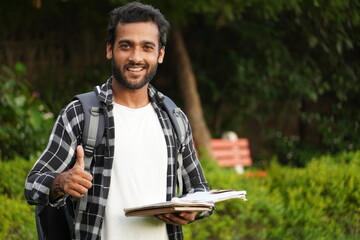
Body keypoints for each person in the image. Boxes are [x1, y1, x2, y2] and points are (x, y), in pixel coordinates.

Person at [25, 2, 212, 240]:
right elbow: (33, 184)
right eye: (126, 46)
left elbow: (199, 190)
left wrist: (194, 211)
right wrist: (61, 182)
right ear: (110, 49)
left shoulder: (173, 117)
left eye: (147, 47)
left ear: (160, 54)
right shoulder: (80, 114)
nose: (136, 57)